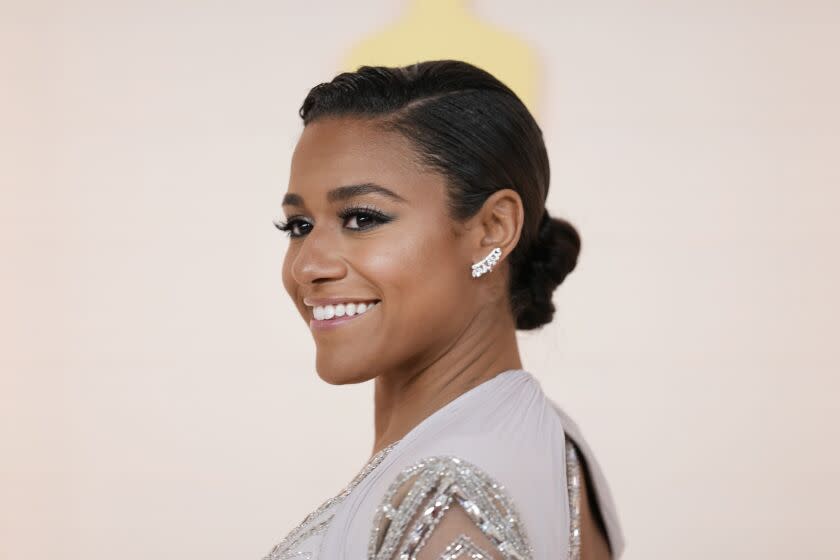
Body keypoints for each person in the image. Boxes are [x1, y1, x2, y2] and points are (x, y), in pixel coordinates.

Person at [265, 60, 625, 560]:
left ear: (492, 229)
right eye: (299, 225)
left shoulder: (450, 496)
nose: (307, 265)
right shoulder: (549, 440)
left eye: (361, 218)